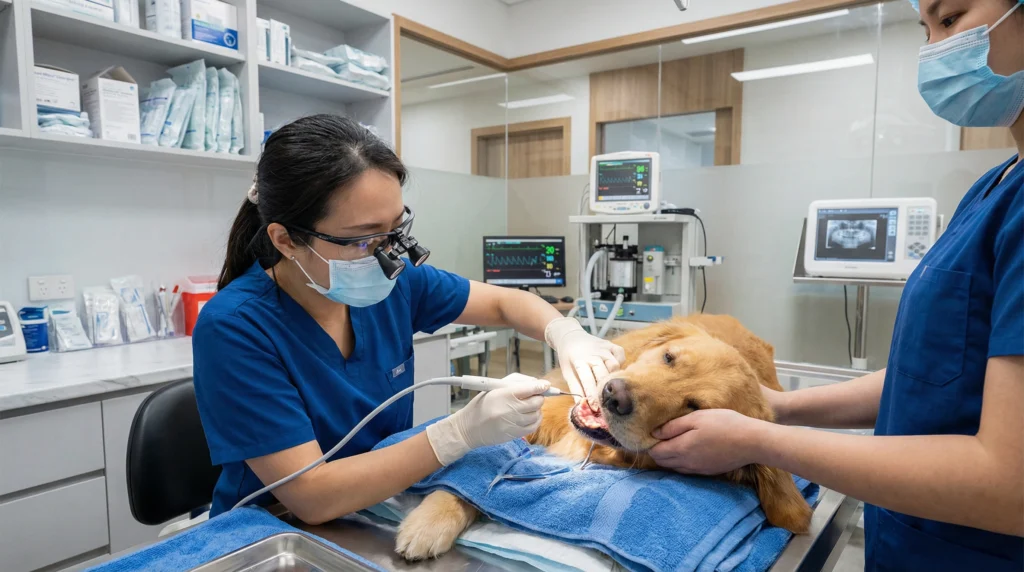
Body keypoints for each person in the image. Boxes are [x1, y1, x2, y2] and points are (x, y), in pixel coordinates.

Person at [649, 0, 1023, 570]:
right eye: (923, 30)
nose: (934, 51)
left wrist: (760, 441)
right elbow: (931, 374)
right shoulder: (993, 187)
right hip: (913, 542)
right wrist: (779, 407)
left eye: (949, 19)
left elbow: (1009, 484)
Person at [193, 114, 625, 522]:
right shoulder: (235, 327)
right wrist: (461, 432)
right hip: (275, 528)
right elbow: (312, 495)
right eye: (362, 240)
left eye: (395, 230)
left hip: (378, 506)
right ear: (285, 239)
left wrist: (566, 334)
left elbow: (504, 304)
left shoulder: (395, 282)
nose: (385, 253)